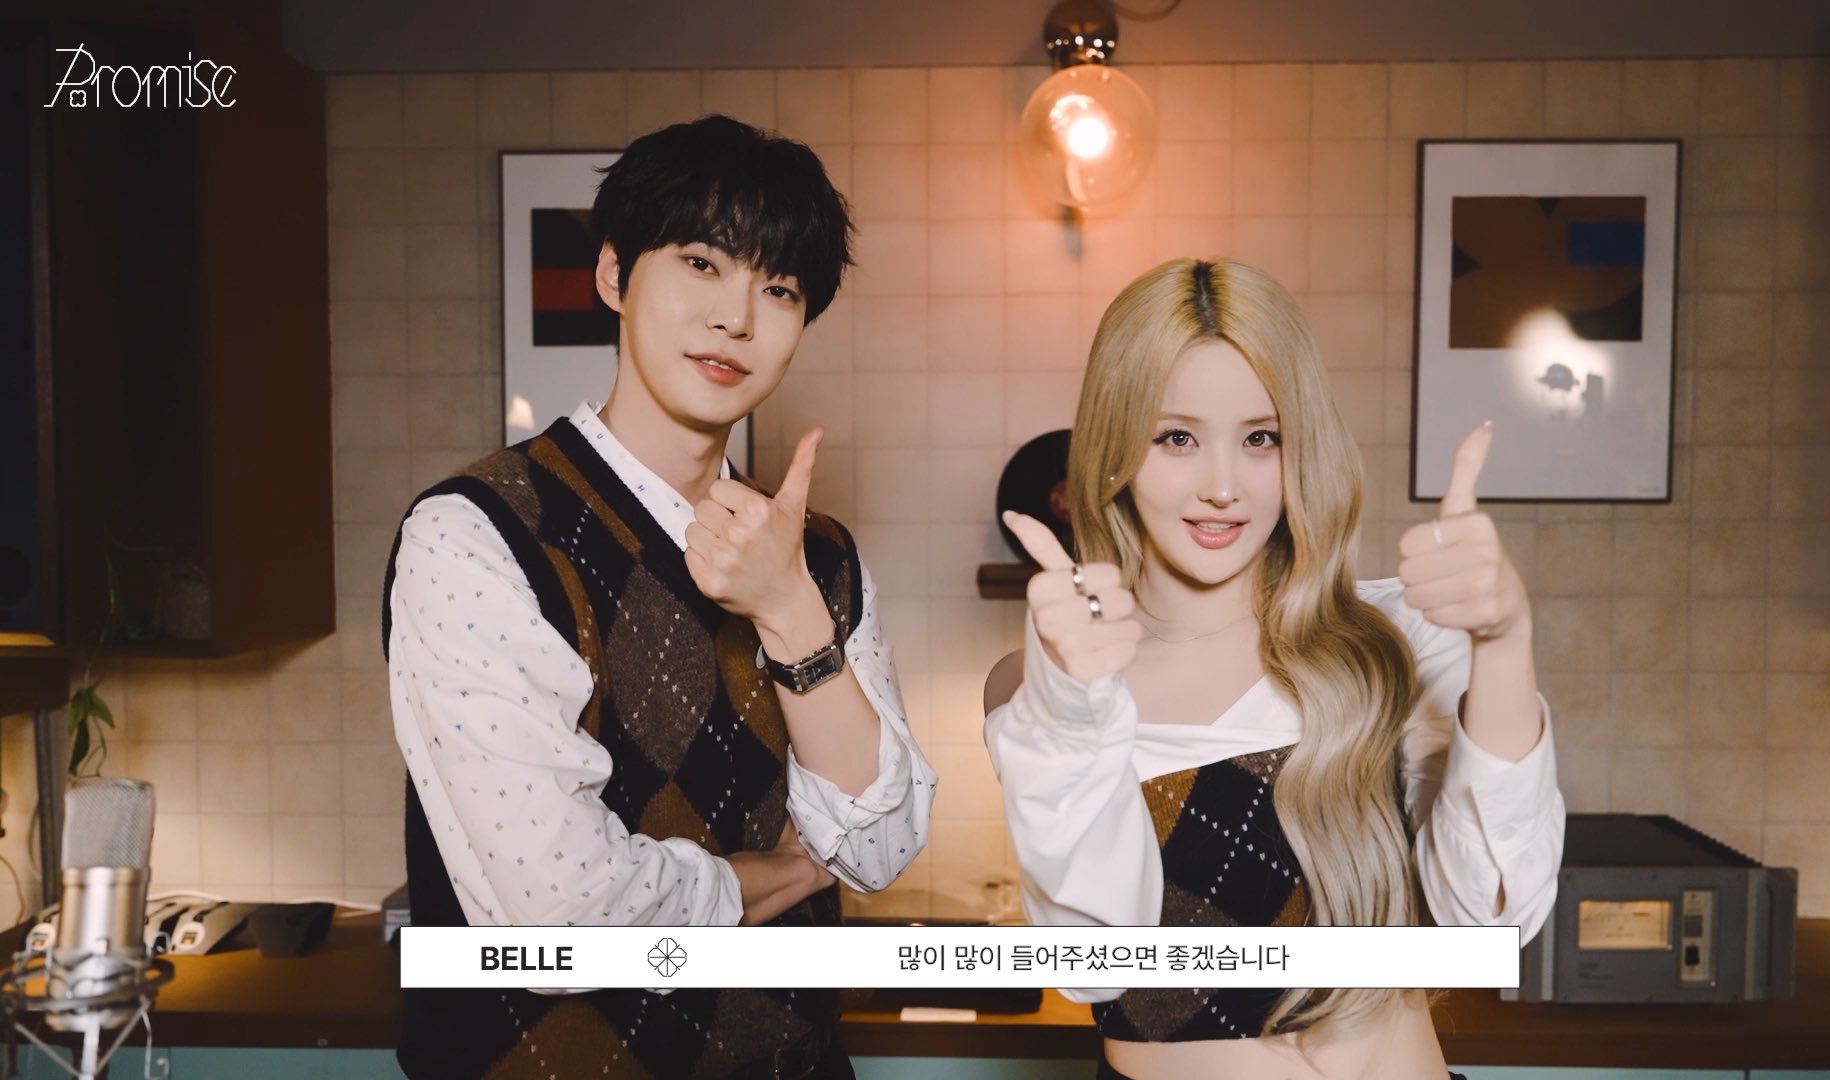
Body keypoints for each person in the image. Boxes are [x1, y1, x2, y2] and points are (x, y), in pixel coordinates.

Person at [383, 115, 936, 1079]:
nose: (737, 319)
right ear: (613, 275)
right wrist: (782, 874)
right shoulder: (476, 531)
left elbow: (880, 847)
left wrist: (787, 606)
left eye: (779, 288)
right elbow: (563, 913)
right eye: (700, 264)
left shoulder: (819, 557)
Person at [983, 257, 1564, 1080]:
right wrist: (1073, 700)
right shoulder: (1039, 684)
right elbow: (1093, 964)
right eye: (1177, 437)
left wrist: (1505, 641)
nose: (1223, 487)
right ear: (1115, 447)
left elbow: (1490, 924)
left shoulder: (1389, 639)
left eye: (1261, 438)